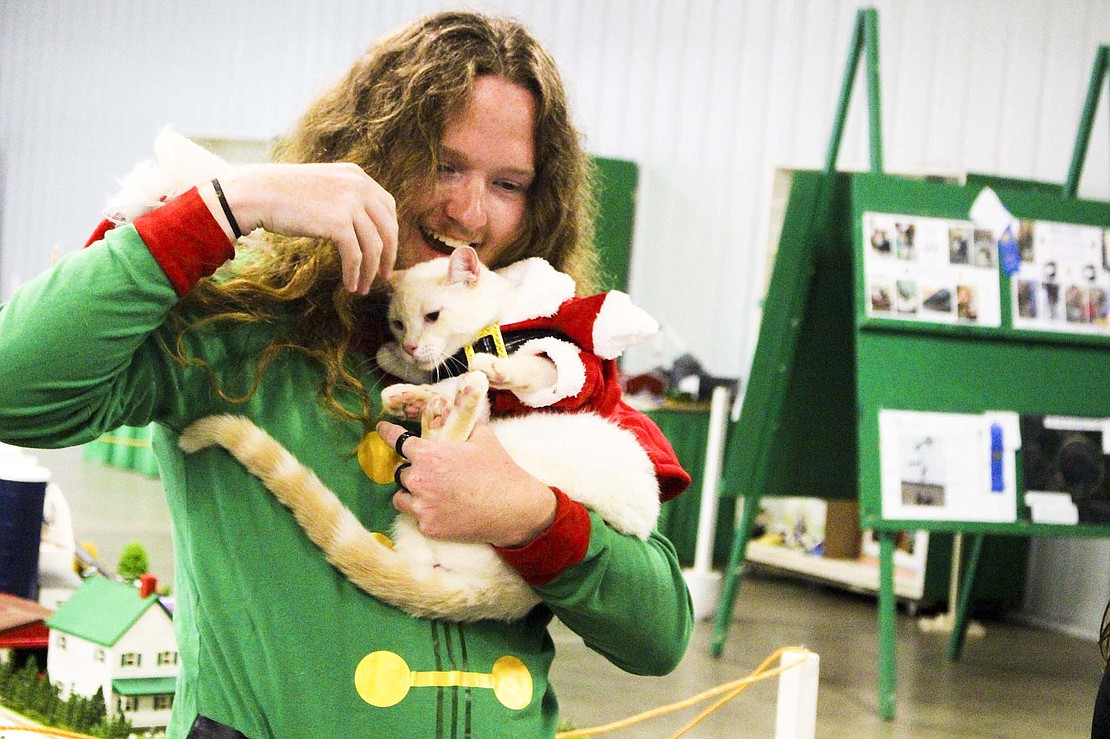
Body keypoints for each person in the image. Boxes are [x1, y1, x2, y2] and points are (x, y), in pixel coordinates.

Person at [0, 11, 693, 738]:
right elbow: (15, 386)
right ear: (371, 151)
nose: (469, 210)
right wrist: (231, 207)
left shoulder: (550, 364)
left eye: (509, 182)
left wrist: (533, 517)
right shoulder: (240, 329)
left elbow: (660, 633)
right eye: (444, 164)